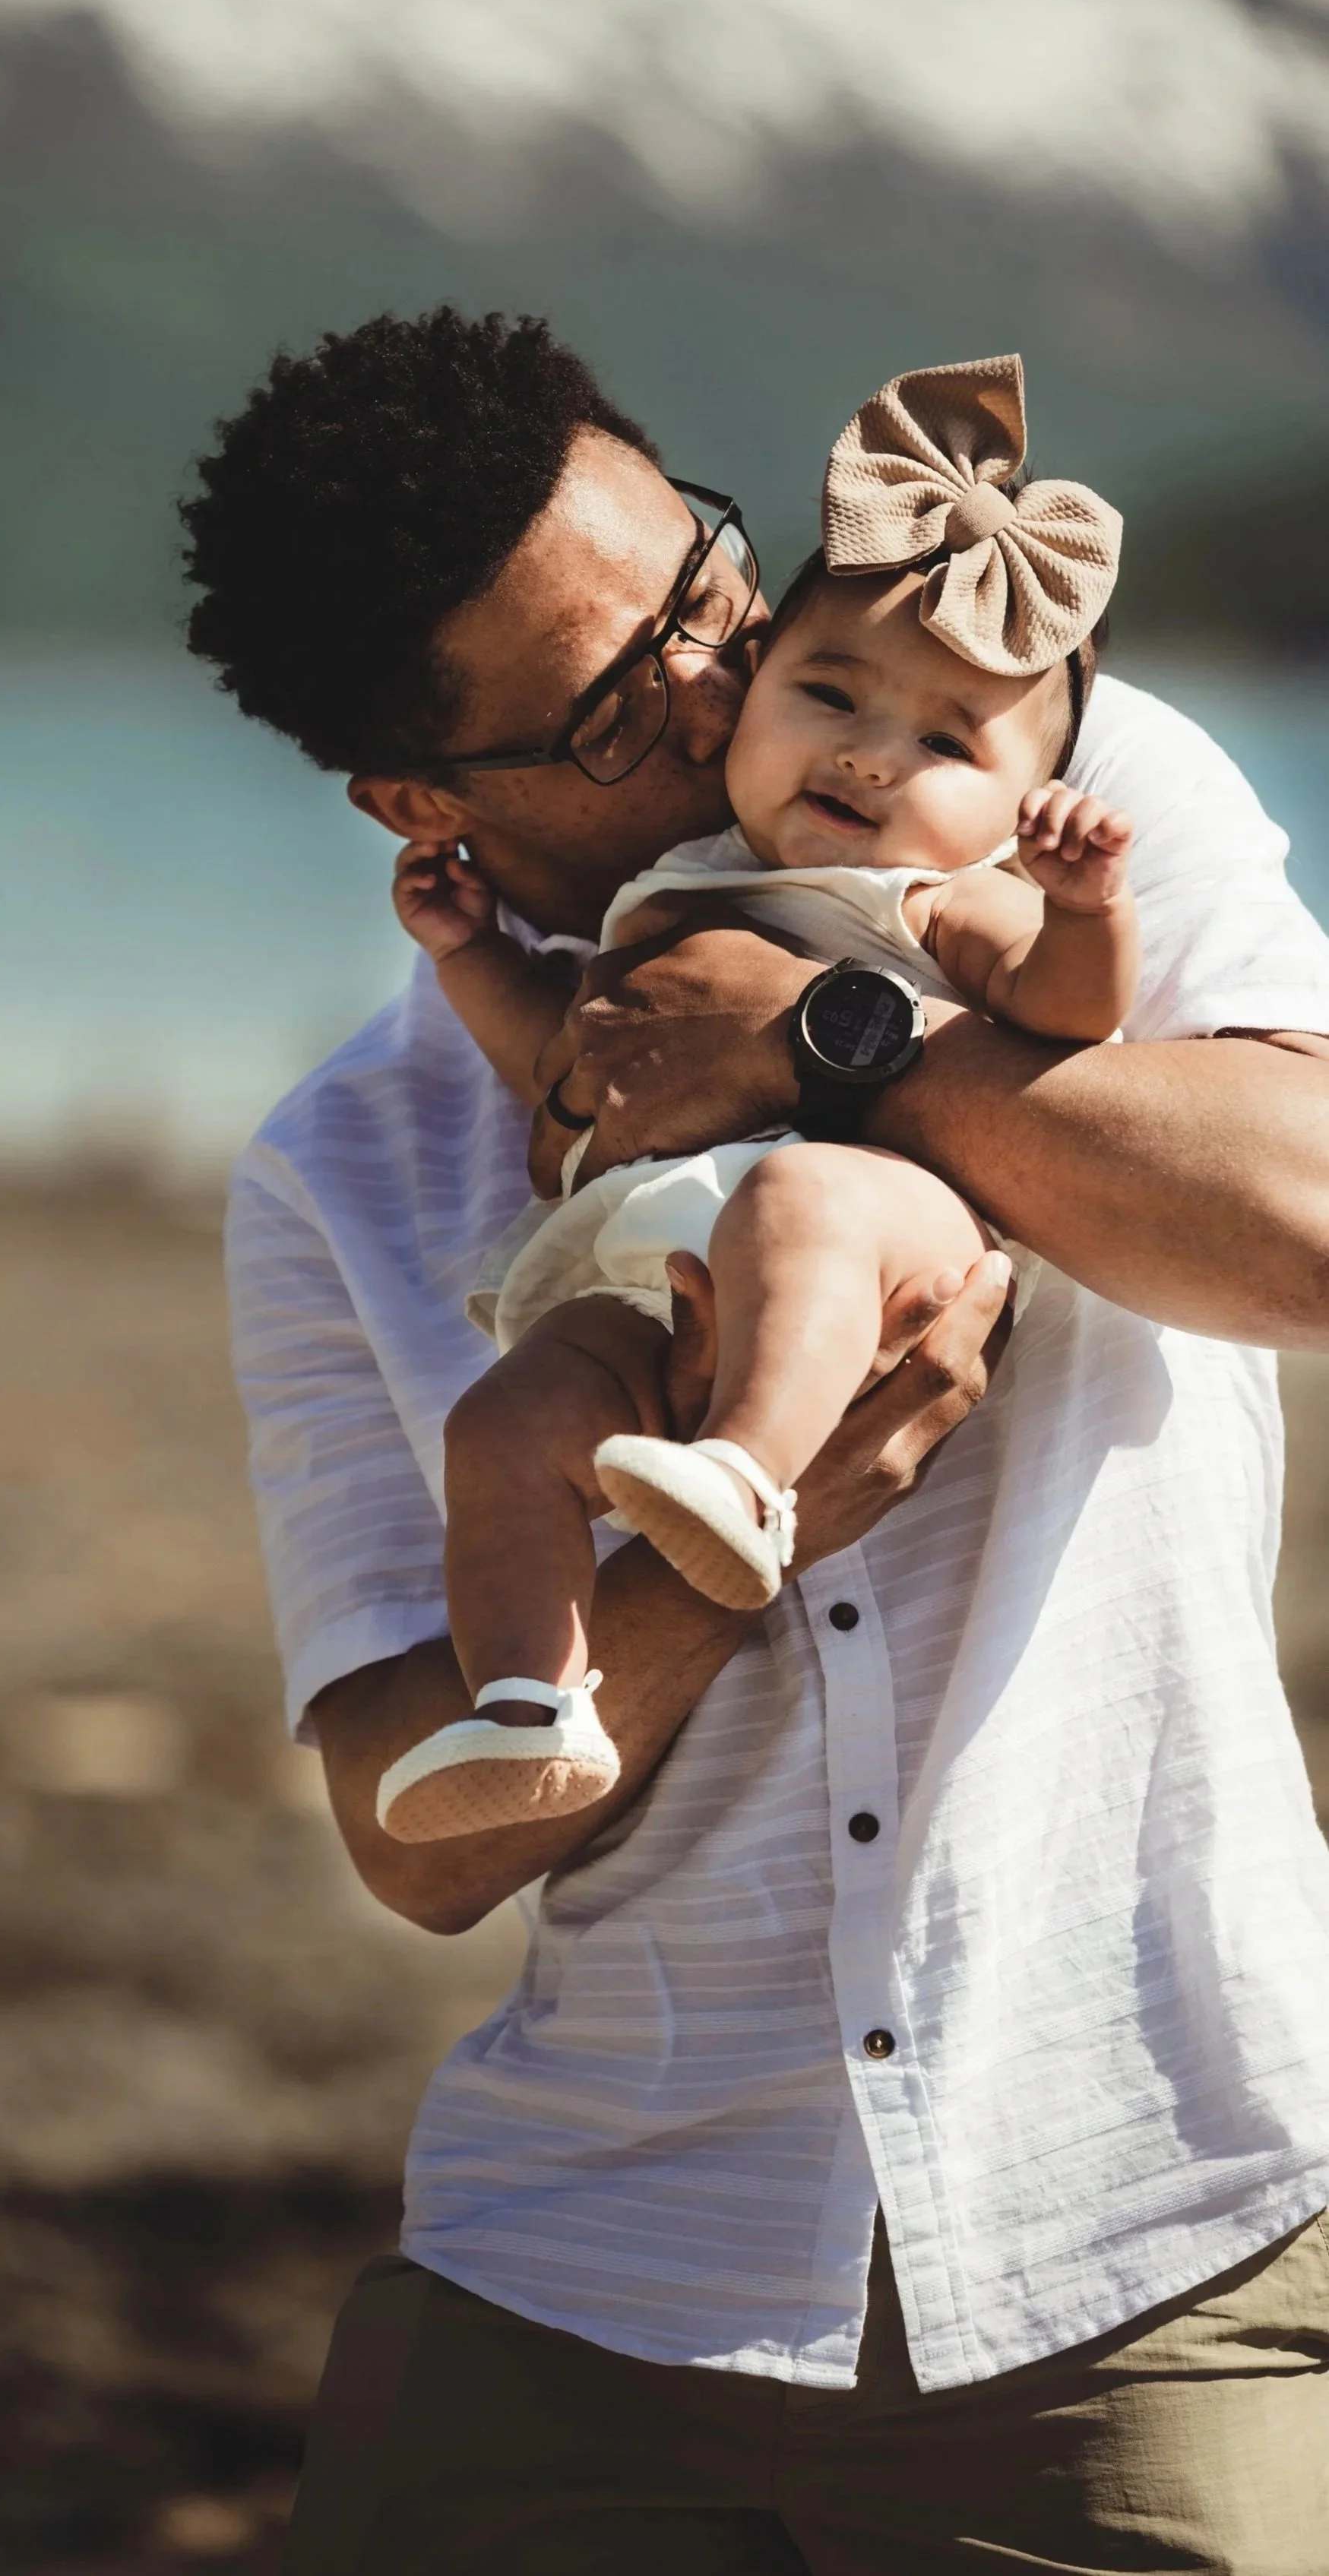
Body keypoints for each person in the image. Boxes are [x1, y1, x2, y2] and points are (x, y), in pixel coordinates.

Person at [182, 309, 1329, 2572]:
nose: (736, 689)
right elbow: (415, 1845)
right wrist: (738, 1550)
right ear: (425, 807)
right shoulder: (347, 1168)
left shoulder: (1043, 782)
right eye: (624, 699)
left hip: (1142, 2224)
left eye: (709, 582)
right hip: (582, 2281)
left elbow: (1302, 1226)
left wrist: (839, 1044)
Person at [376, 356, 1138, 1843]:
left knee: (798, 1203)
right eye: (827, 691)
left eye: (946, 742)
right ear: (758, 680)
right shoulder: (684, 879)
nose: (868, 749)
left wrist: (1082, 908)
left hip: (862, 1225)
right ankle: (534, 1700)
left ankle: (748, 1465)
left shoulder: (939, 894)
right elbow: (575, 1050)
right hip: (657, 1261)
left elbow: (1063, 1015)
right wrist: (472, 959)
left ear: (1013, 796)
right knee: (507, 1421)